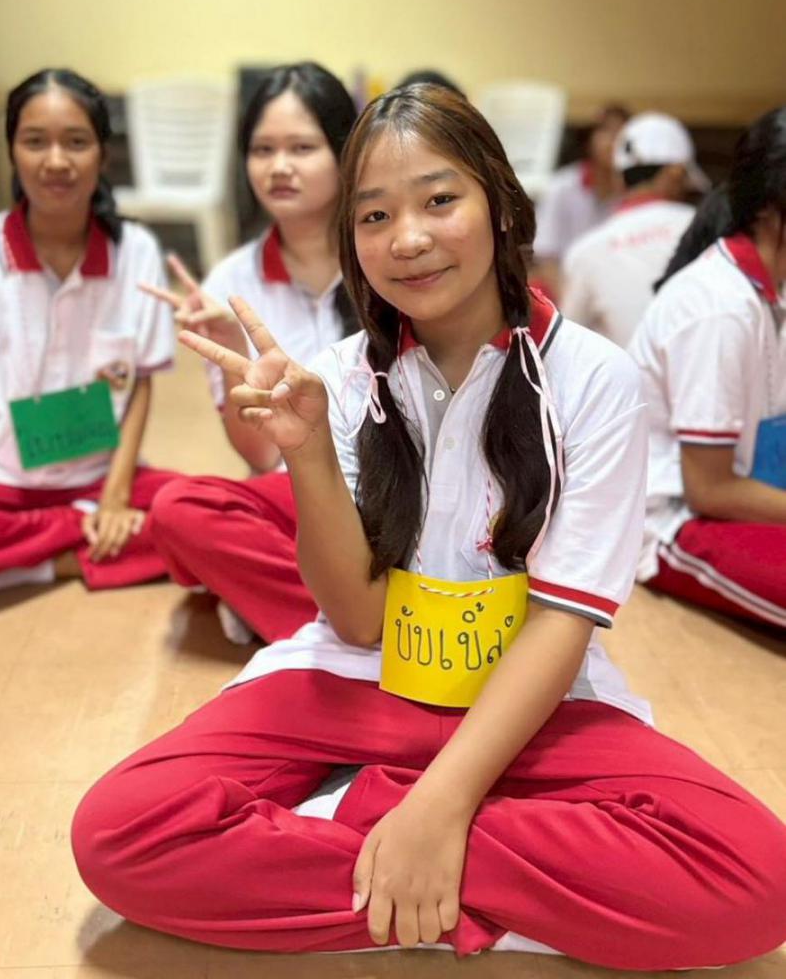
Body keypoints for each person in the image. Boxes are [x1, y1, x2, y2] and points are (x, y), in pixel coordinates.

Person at [72, 86, 786, 968]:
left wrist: (438, 809)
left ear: (501, 204)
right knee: (117, 833)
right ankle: (452, 882)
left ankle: (374, 838)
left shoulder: (595, 378)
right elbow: (356, 620)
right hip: (362, 682)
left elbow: (560, 623)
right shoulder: (340, 375)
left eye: (439, 200)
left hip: (530, 700)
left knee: (754, 882)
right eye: (375, 215)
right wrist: (307, 453)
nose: (407, 238)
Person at [0, 68, 179, 619]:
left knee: (201, 514)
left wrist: (115, 497)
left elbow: (139, 384)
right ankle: (81, 545)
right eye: (35, 141)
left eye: (77, 142)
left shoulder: (135, 250)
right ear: (11, 151)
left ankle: (14, 568)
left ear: (103, 153)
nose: (56, 161)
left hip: (103, 476)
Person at [144, 62, 358, 644]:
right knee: (179, 510)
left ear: (346, 153)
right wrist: (234, 349)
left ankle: (298, 614)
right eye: (262, 150)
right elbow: (262, 456)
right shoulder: (230, 282)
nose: (278, 166)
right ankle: (361, 627)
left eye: (302, 148)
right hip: (293, 492)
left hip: (394, 489)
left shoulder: (385, 255)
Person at [629, 107, 786, 627]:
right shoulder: (719, 306)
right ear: (771, 207)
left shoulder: (765, 292)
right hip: (672, 523)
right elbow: (709, 490)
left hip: (736, 496)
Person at [560, 113, 699, 347]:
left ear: (619, 179)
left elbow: (566, 343)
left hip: (624, 369)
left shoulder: (585, 251)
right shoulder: (708, 229)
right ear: (676, 173)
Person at [531, 103, 629, 296]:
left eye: (623, 133)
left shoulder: (632, 192)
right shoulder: (561, 187)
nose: (615, 141)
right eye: (607, 132)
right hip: (563, 284)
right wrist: (570, 302)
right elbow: (547, 256)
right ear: (589, 140)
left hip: (614, 287)